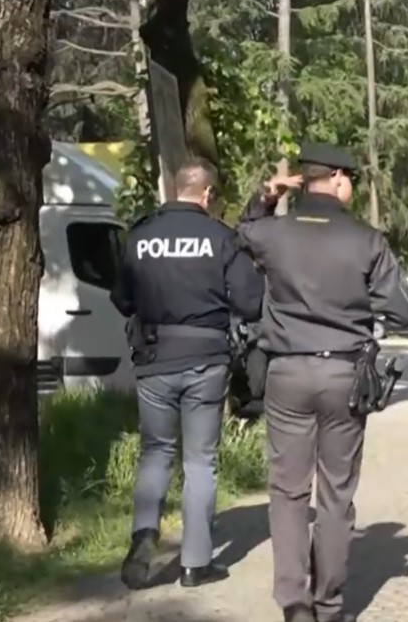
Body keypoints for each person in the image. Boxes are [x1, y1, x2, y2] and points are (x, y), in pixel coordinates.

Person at [236, 143, 408, 622]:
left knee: (288, 492)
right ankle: (329, 604)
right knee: (336, 493)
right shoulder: (365, 238)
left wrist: (267, 196)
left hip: (287, 373)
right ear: (338, 178)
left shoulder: (274, 233)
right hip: (345, 375)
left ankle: (294, 603)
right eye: (351, 179)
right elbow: (405, 309)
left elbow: (241, 232)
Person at [110, 158, 264, 590]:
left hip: (154, 359)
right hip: (205, 360)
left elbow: (121, 300)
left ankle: (144, 535)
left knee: (156, 451)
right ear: (208, 195)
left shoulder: (140, 235)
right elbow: (252, 303)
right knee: (200, 460)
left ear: (174, 188)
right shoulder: (221, 237)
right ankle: (196, 564)